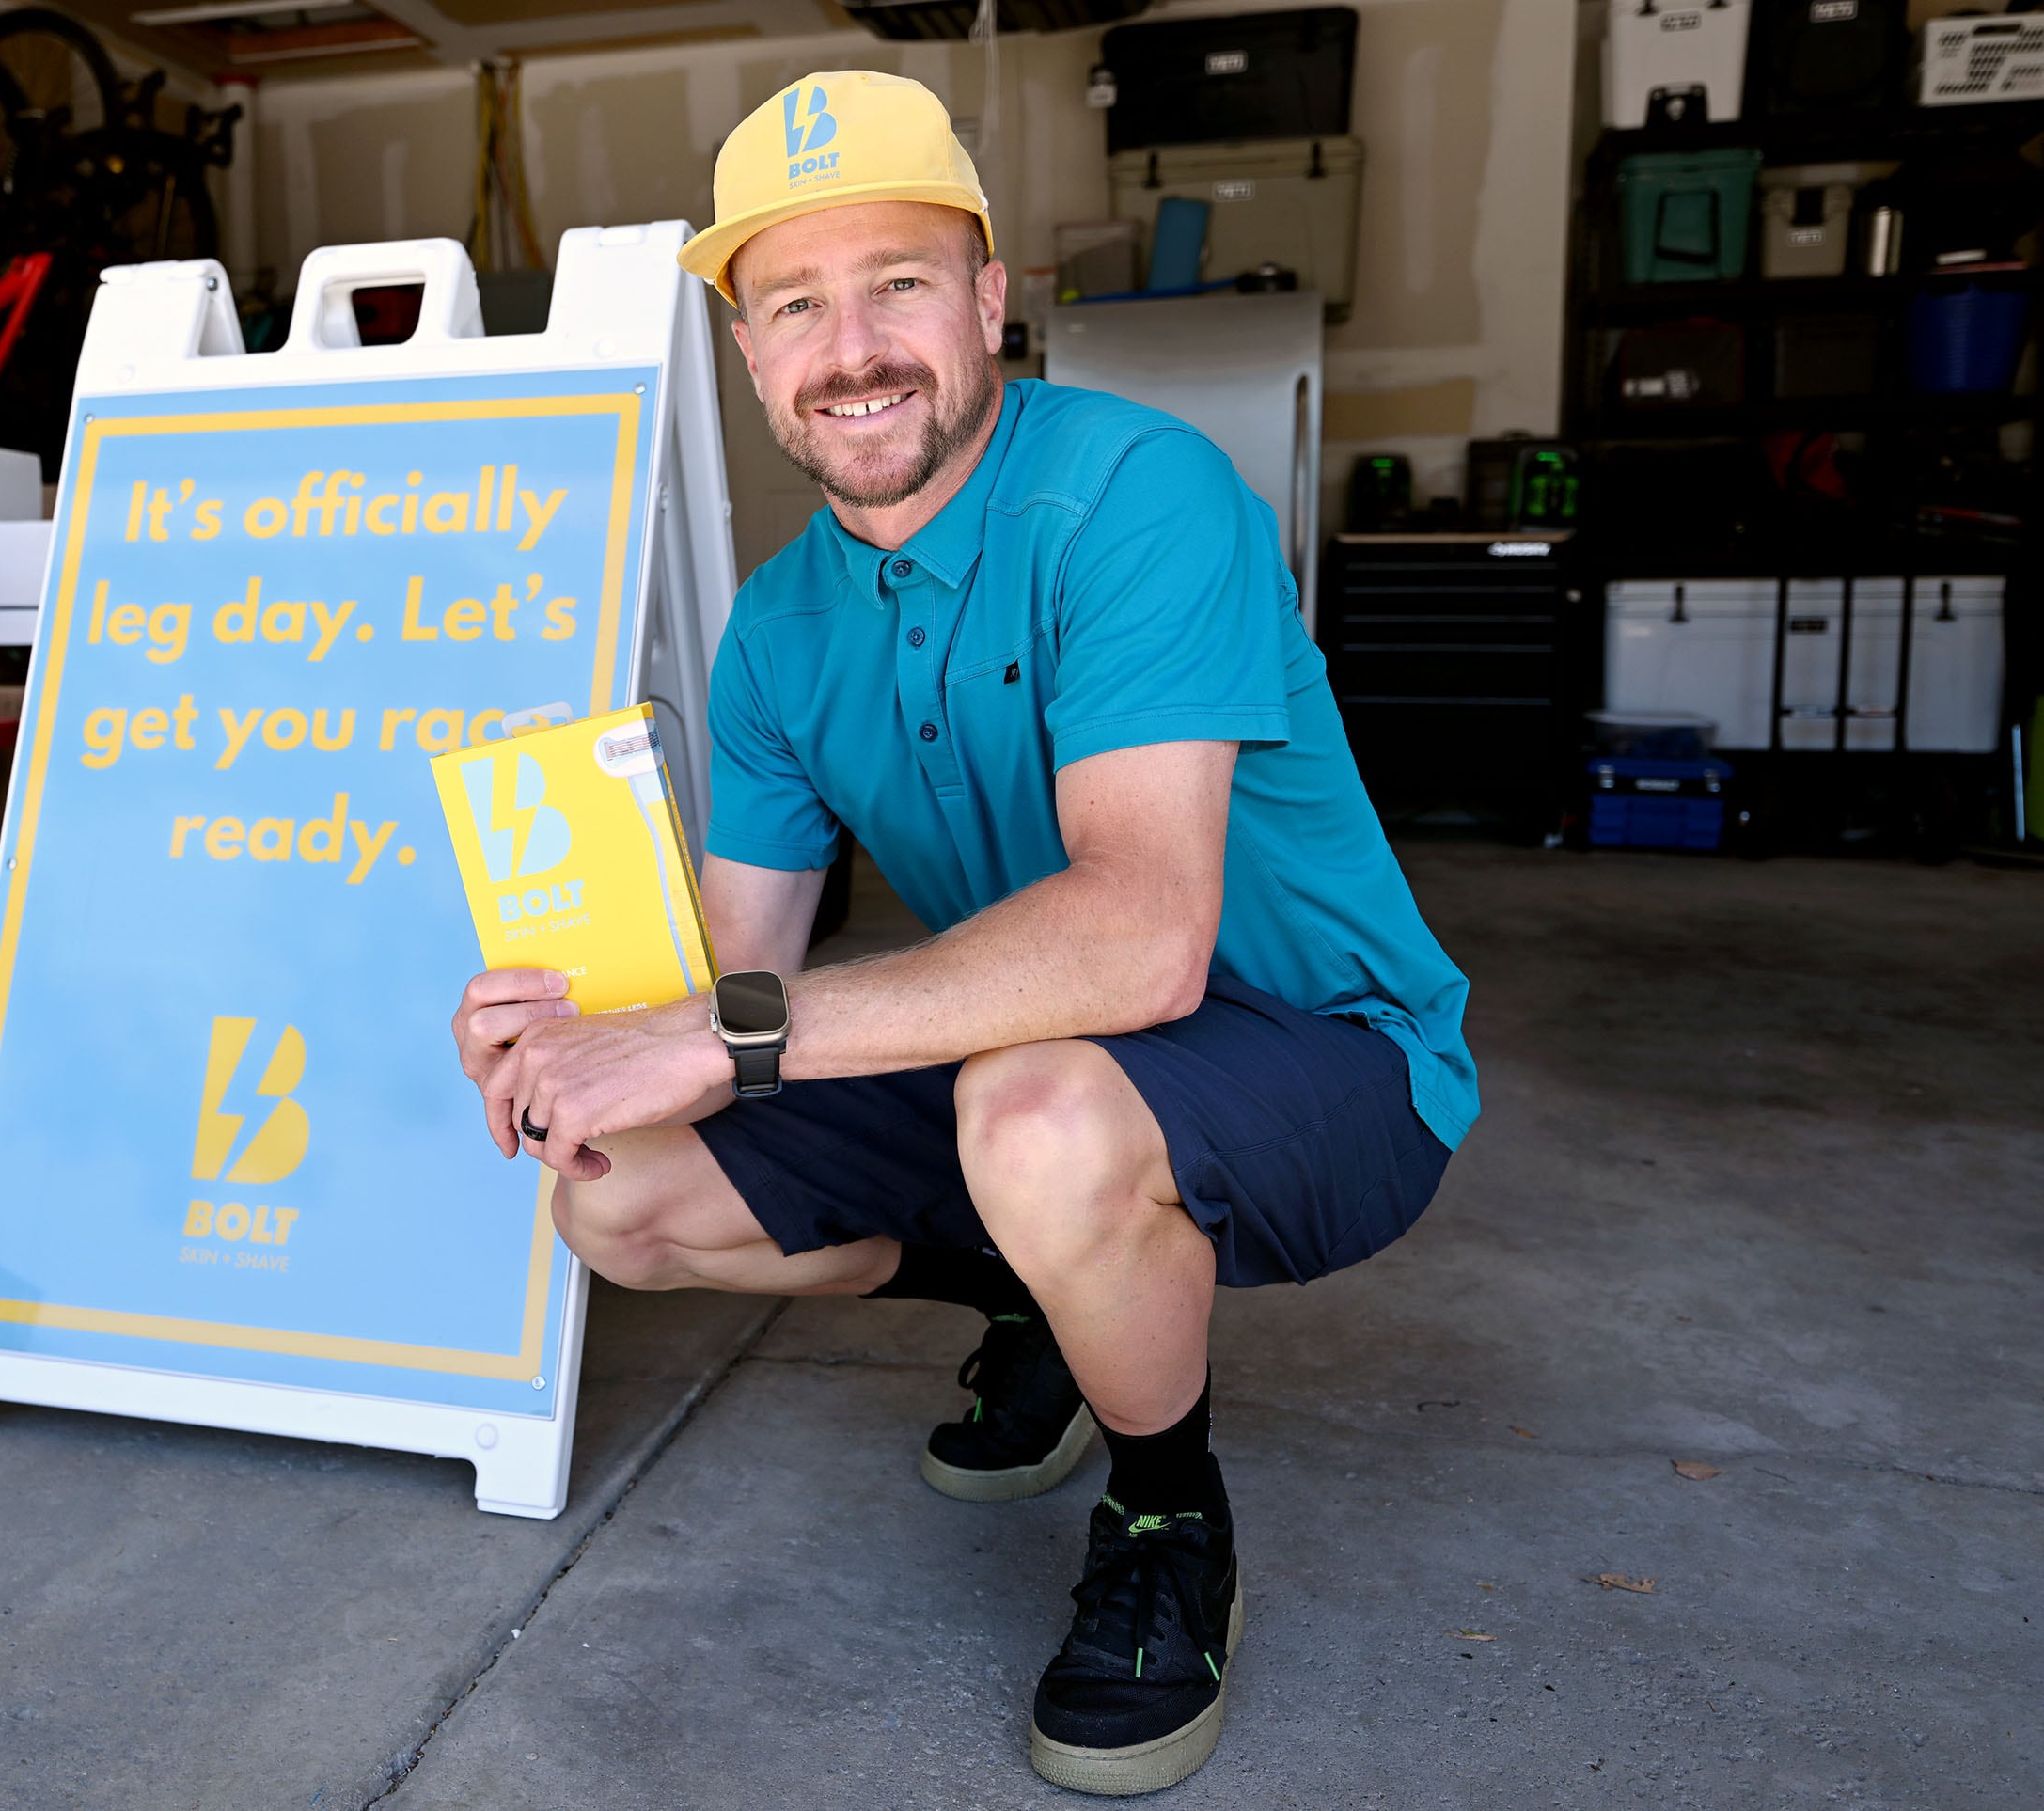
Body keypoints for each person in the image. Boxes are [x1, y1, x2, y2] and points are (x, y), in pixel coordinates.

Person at [449, 71, 1475, 1798]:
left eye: (900, 282)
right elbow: (727, 978)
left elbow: (1147, 941)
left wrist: (728, 1034)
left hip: (1331, 1056)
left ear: (991, 299)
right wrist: (570, 1030)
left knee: (1041, 1118)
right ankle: (1045, 1287)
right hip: (1028, 1048)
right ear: (750, 352)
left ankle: (1167, 1503)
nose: (852, 346)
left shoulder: (1141, 494)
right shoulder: (777, 630)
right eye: (794, 303)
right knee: (615, 1194)